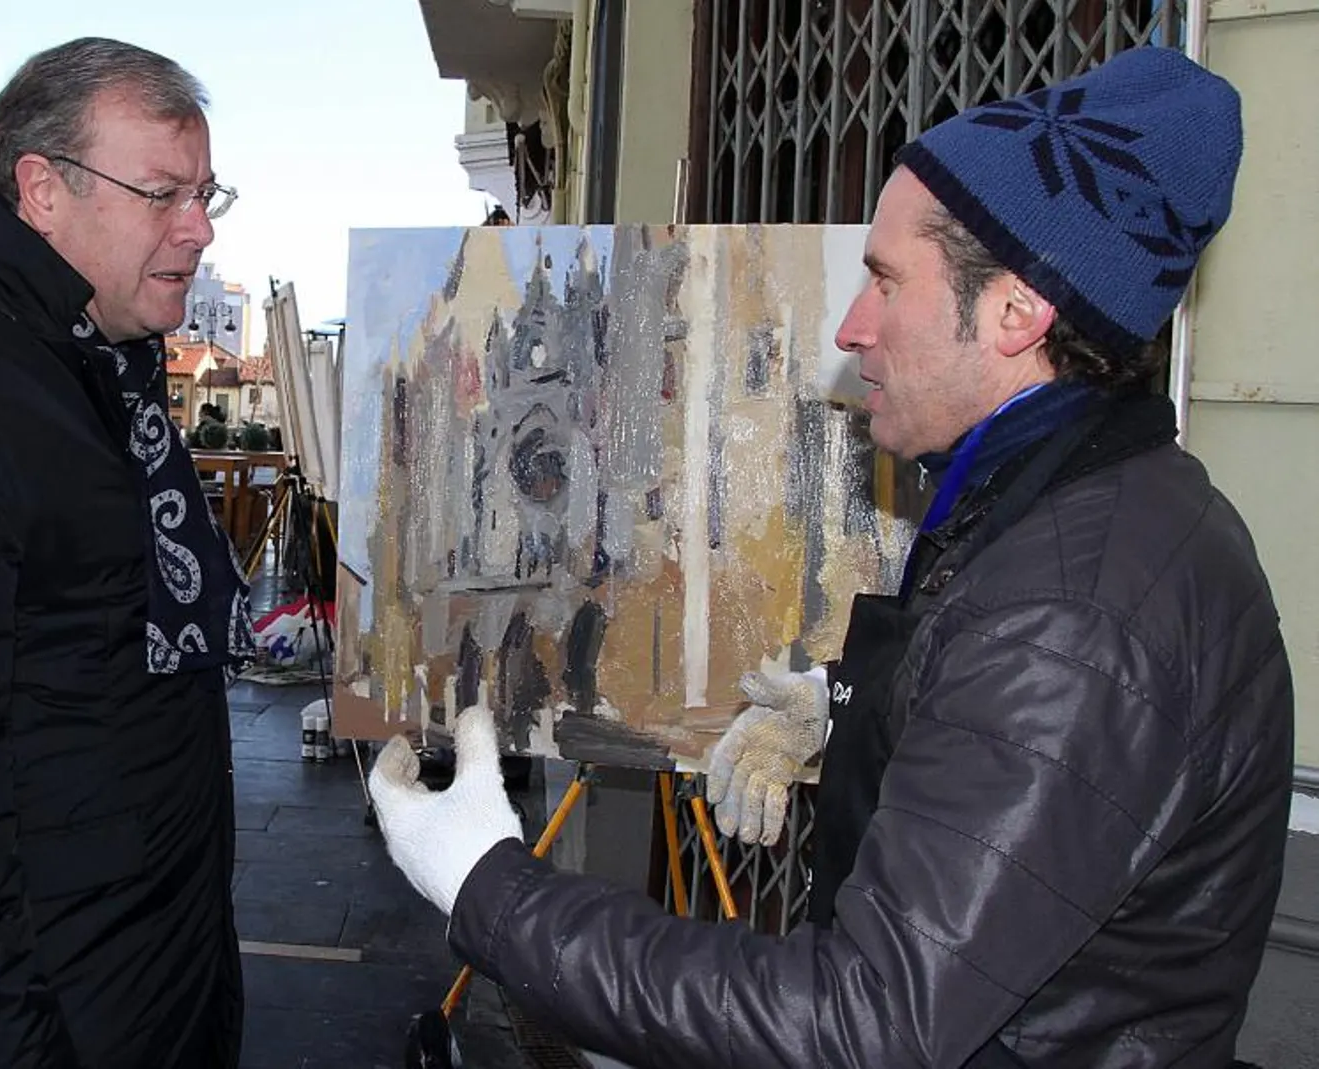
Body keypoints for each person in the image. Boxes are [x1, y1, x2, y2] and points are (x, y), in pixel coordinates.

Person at [369, 47, 1292, 1068]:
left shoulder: (1072, 609)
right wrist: (864, 706)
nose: (852, 328)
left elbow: (864, 1022)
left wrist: (489, 888)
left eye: (887, 281)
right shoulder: (1070, 501)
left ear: (1015, 312)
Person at [0, 38, 253, 1068]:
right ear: (42, 192)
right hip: (67, 991)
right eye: (162, 194)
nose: (197, 228)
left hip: (159, 942)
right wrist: (14, 1042)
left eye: (206, 193)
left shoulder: (91, 352)